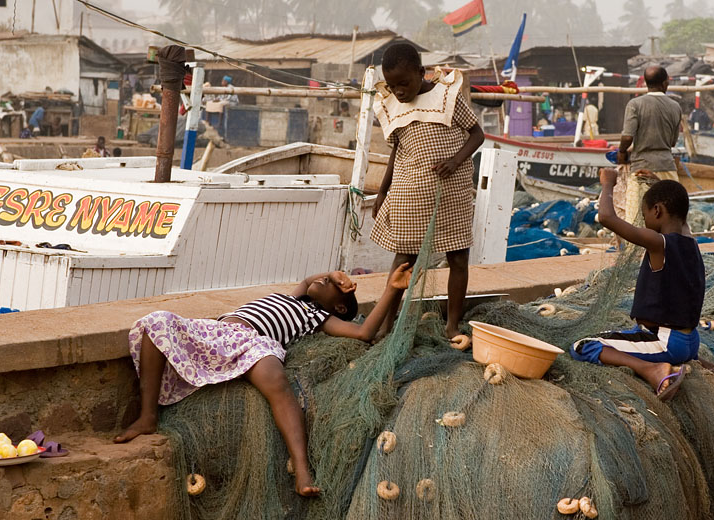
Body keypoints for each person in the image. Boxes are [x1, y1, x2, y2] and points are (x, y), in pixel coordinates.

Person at [115, 263, 414, 496]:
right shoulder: (293, 296)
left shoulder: (317, 317)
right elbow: (311, 279)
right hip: (217, 331)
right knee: (156, 321)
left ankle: (301, 470)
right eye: (326, 279)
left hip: (253, 343)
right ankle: (147, 416)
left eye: (331, 286)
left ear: (338, 307)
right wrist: (334, 275)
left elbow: (364, 333)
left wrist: (391, 289)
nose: (322, 281)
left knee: (277, 383)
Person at [571, 169, 714, 400]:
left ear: (657, 210)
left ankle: (652, 370)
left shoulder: (659, 244)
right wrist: (658, 184)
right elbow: (677, 209)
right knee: (631, 334)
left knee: (583, 345)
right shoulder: (691, 242)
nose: (644, 221)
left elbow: (607, 217)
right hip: (690, 343)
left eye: (645, 214)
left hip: (664, 342)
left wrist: (608, 183)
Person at [371, 43, 484, 339]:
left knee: (458, 258)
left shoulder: (446, 96)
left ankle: (452, 325)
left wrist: (456, 160)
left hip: (453, 193)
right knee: (404, 261)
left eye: (404, 83)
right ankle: (385, 327)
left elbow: (477, 134)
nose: (399, 91)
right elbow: (397, 152)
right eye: (393, 85)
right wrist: (383, 192)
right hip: (411, 193)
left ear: (421, 72)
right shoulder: (391, 106)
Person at [615, 65, 682, 224]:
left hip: (641, 168)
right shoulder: (675, 106)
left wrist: (622, 152)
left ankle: (638, 249)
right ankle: (671, 248)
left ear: (646, 83)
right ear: (665, 83)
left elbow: (627, 137)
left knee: (637, 219)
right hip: (666, 167)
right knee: (672, 215)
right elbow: (672, 142)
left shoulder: (635, 104)